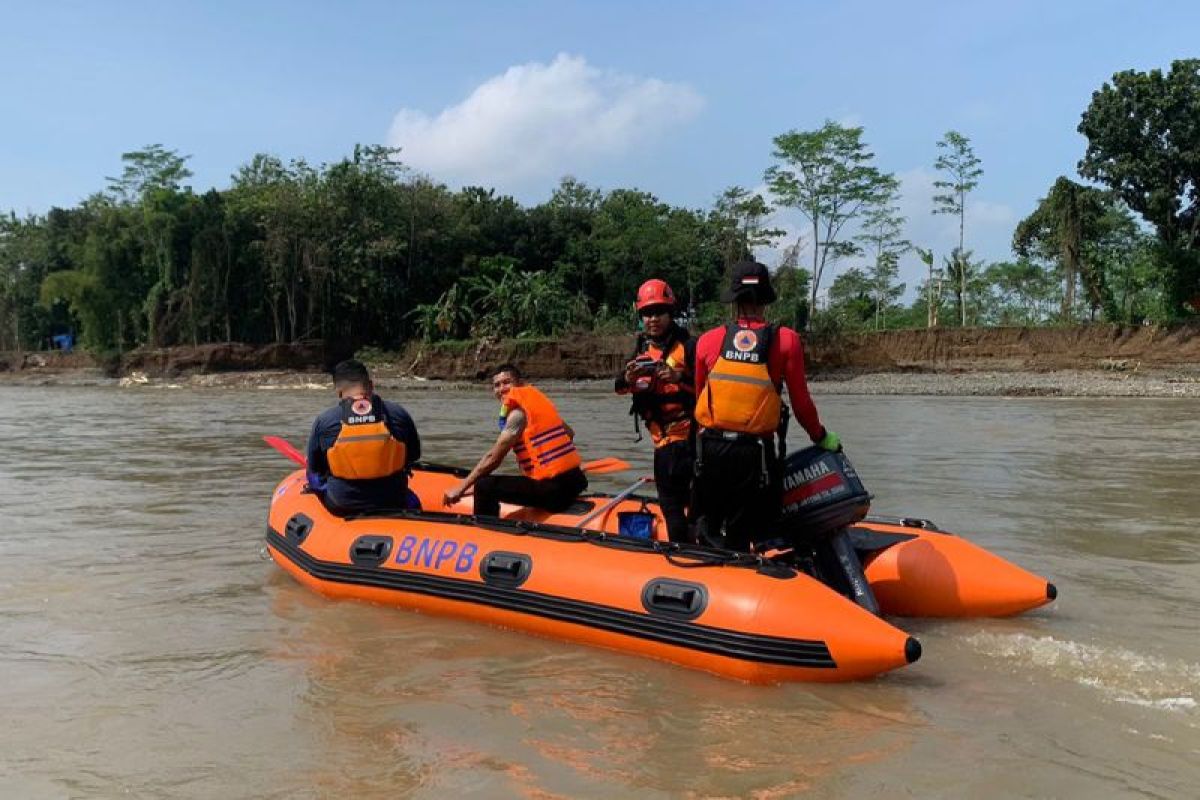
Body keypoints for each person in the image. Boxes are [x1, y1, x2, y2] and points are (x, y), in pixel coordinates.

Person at [692, 260, 841, 551]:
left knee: (709, 529)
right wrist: (821, 437)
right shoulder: (786, 340)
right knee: (745, 534)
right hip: (755, 456)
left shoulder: (708, 341)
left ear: (734, 300)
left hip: (710, 451)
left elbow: (700, 398)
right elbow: (801, 403)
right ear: (765, 299)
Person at [442, 364, 588, 516]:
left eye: (507, 382)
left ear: (520, 383)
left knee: (484, 486)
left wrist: (460, 488)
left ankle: (485, 533)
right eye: (496, 385)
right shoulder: (538, 407)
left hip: (554, 493)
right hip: (576, 482)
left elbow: (493, 459)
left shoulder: (517, 415)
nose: (501, 389)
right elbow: (570, 433)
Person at [615, 279, 697, 543]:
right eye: (647, 314)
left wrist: (678, 379)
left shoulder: (689, 346)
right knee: (672, 507)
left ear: (671, 313)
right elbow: (619, 387)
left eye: (659, 312)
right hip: (661, 443)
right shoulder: (640, 349)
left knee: (686, 508)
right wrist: (628, 379)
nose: (653, 319)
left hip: (690, 440)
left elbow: (709, 390)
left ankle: (690, 552)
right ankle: (682, 550)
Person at [306, 359, 422, 514]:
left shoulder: (325, 420)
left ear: (339, 393)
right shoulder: (398, 413)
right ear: (371, 385)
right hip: (393, 500)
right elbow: (414, 455)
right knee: (413, 500)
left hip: (342, 503)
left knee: (311, 472)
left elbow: (316, 466)